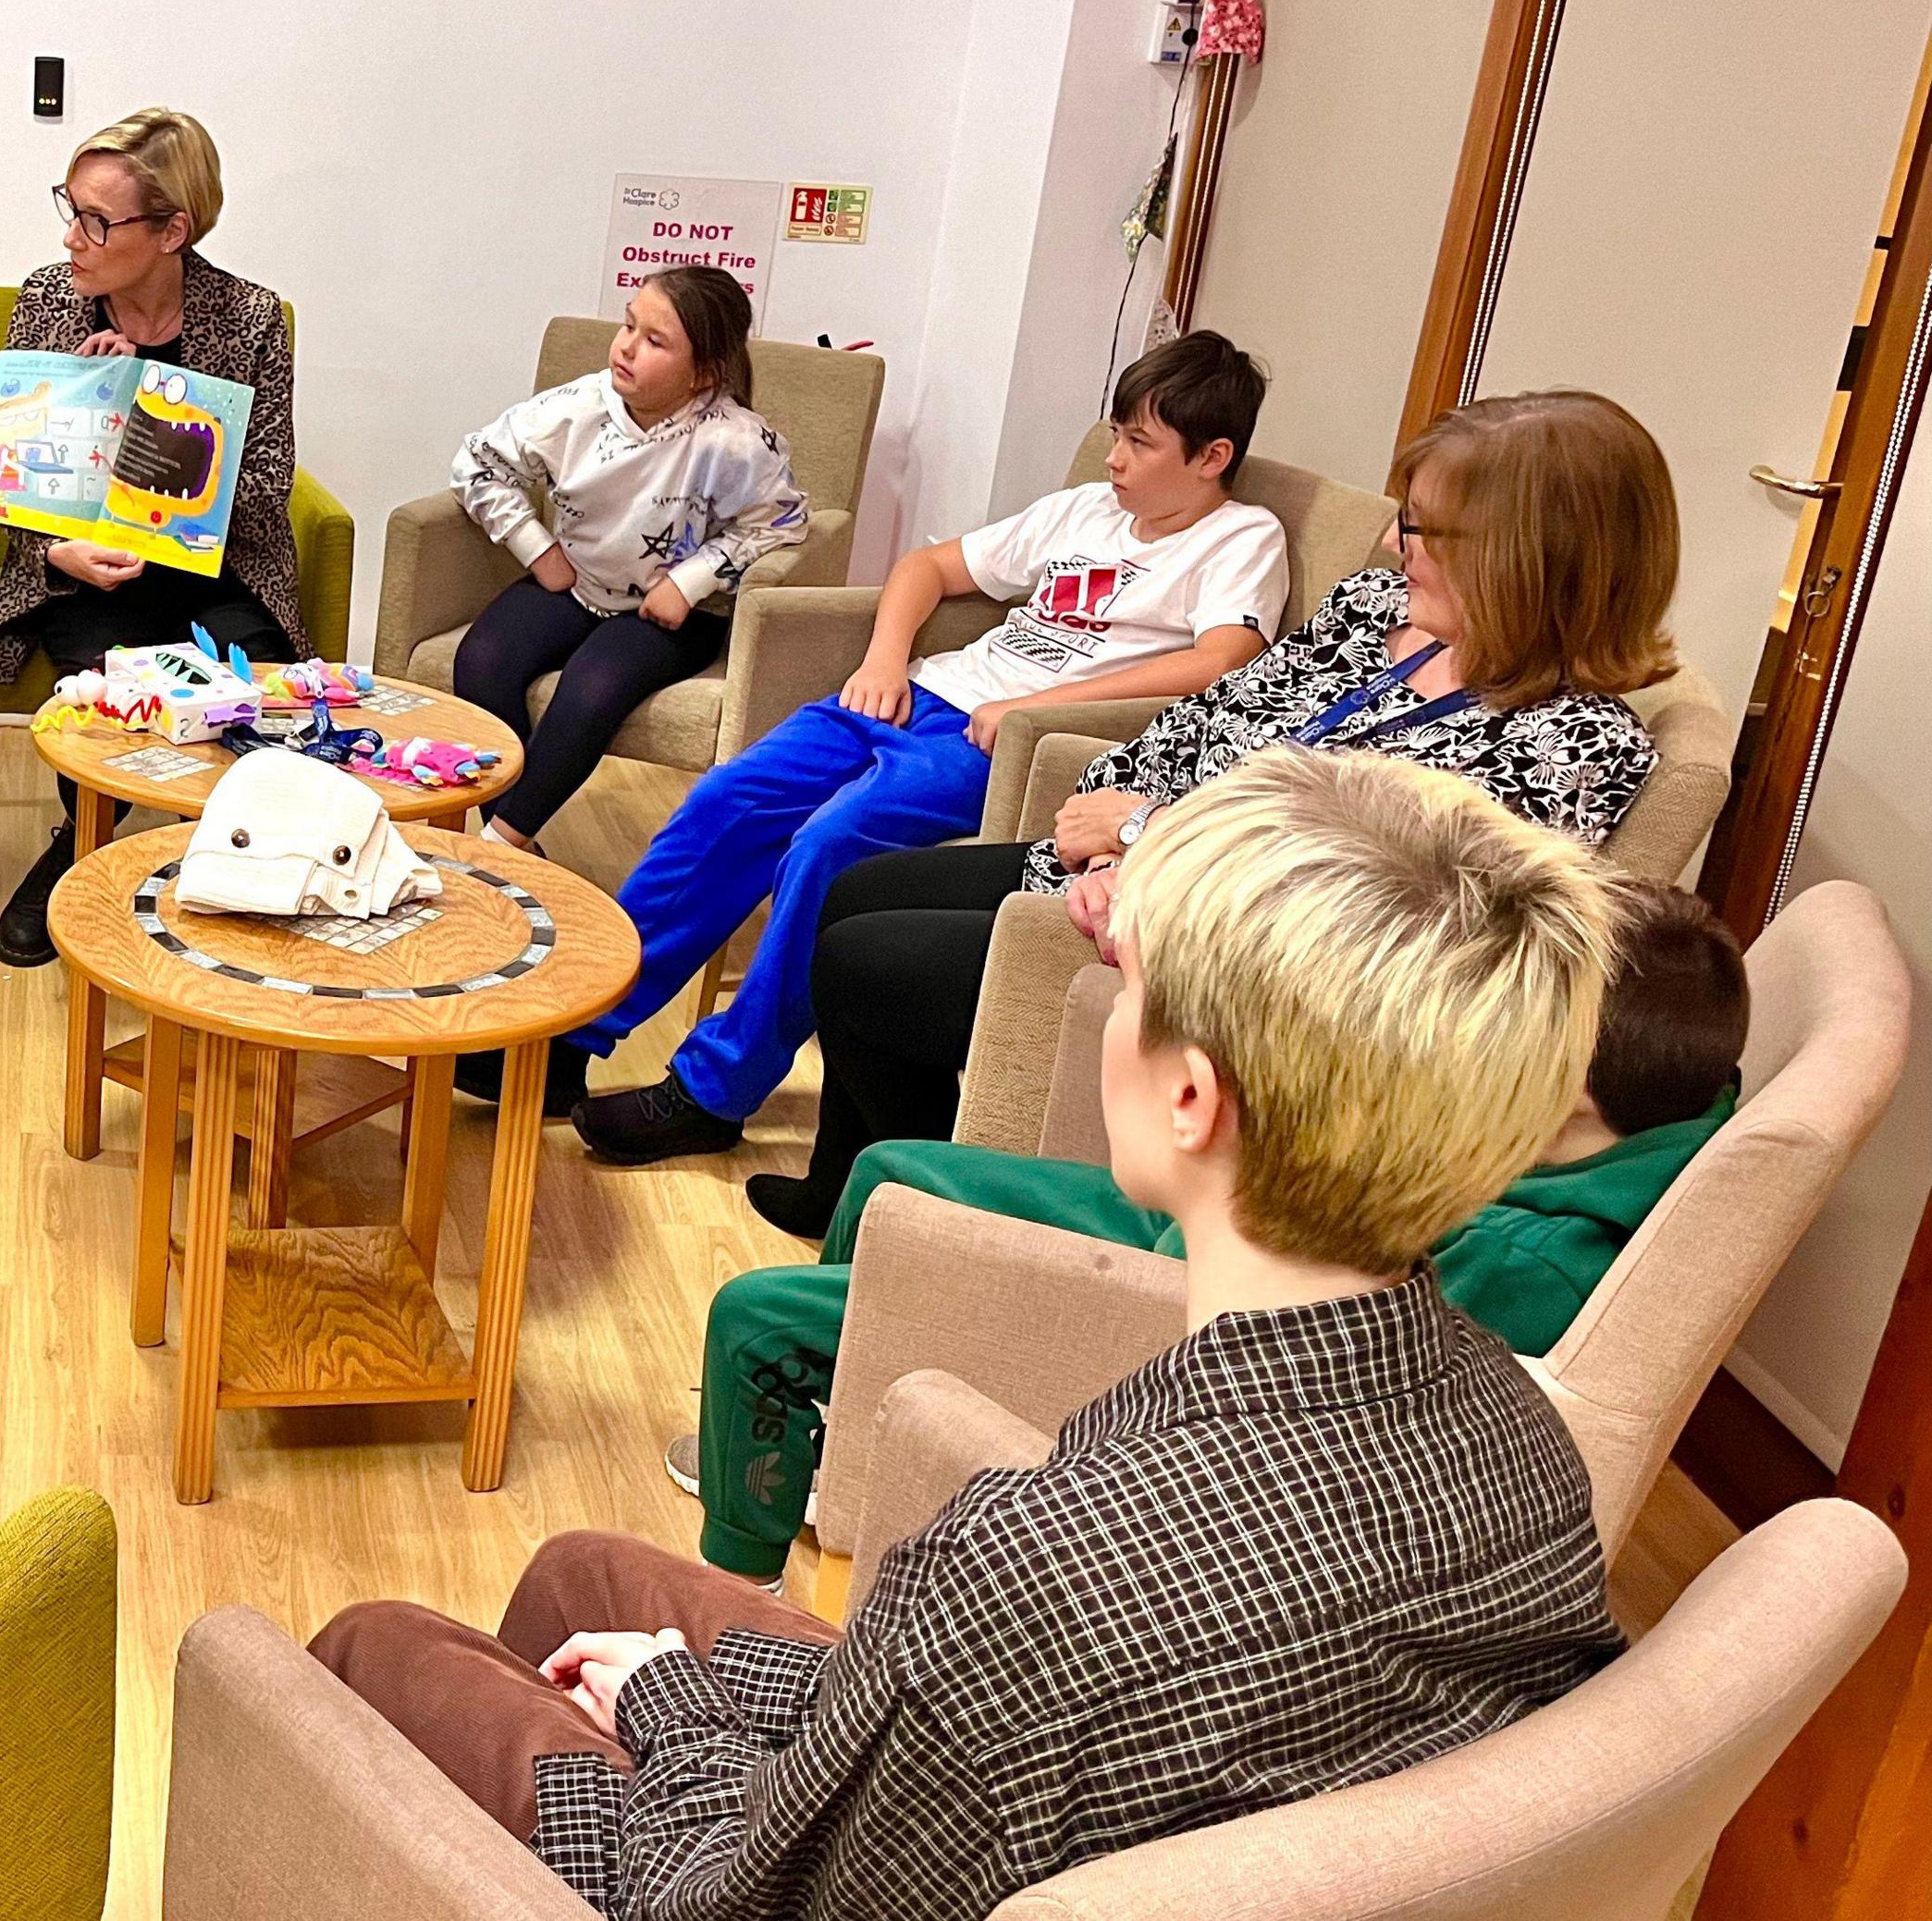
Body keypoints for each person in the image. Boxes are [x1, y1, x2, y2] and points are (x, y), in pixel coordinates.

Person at [306, 747, 1628, 1915]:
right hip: (1079, 1797)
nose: (1106, 1007)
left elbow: (719, 1902)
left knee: (379, 1646)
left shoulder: (1043, 1572)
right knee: (590, 1572)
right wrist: (677, 1693)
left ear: (1189, 1097)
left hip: (801, 1870)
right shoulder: (1521, 1441)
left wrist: (669, 1711)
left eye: (1129, 984)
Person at [769, 388, 1679, 1238]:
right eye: (1411, 518)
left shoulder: (1571, 740)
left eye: (1435, 529)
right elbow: (1214, 713)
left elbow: (1404, 926)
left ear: (1538, 556)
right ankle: (855, 1199)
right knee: (856, 893)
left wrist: (1150, 838)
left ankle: (906, 1232)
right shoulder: (1377, 612)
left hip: (1221, 965)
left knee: (865, 965)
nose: (1406, 544)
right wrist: (1110, 821)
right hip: (1132, 874)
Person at [679, 877, 1747, 1581]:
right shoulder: (1657, 1099)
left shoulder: (1524, 1253)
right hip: (1232, 1234)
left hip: (1192, 1285)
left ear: (1560, 1076)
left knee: (754, 1317)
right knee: (883, 1170)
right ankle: (834, 1436)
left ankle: (742, 1571)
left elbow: (1326, 1362)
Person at [529, 330, 1291, 1158]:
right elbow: (927, 568)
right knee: (724, 801)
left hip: (1001, 741)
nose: (1113, 458)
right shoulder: (1083, 510)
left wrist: (1039, 702)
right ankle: (566, 1039)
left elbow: (1222, 661)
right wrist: (885, 659)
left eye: (1139, 443)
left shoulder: (1242, 539)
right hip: (922, 693)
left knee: (825, 846)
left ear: (1212, 455)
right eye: (1115, 433)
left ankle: (711, 1093)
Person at [0, 107, 303, 968]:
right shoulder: (50, 298)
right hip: (84, 568)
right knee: (101, 696)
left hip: (217, 570)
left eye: (97, 219)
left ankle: (237, 868)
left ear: (173, 230)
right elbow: (5, 468)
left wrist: (150, 411)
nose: (72, 235)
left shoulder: (251, 320)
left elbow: (267, 480)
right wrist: (60, 545)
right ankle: (79, 840)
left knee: (257, 698)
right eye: (70, 206)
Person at [447, 264, 809, 850]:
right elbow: (477, 463)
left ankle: (501, 845)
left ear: (704, 374)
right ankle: (511, 833)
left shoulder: (738, 441)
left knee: (591, 689)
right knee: (483, 660)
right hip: (579, 585)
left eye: (655, 341)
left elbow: (783, 522)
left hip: (671, 617)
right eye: (628, 325)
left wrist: (692, 581)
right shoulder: (577, 406)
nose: (626, 347)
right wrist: (536, 547)